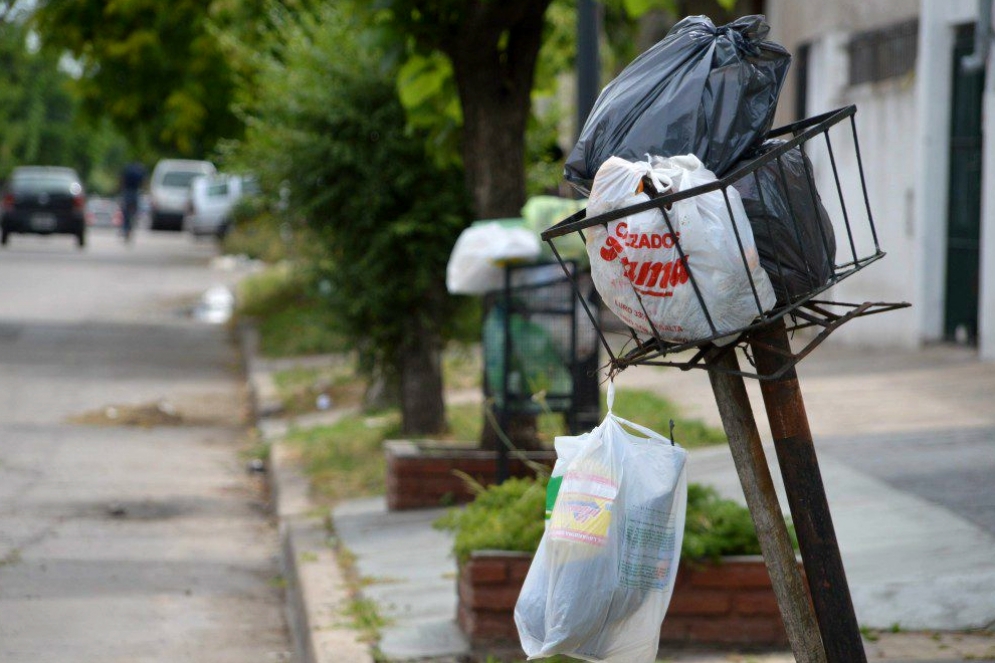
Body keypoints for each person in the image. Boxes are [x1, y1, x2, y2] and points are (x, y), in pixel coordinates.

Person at [120, 161, 145, 242]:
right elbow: (143, 182)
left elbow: (122, 180)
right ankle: (131, 227)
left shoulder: (127, 170)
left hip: (127, 192)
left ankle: (126, 229)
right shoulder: (139, 171)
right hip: (136, 192)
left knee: (126, 212)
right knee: (134, 212)